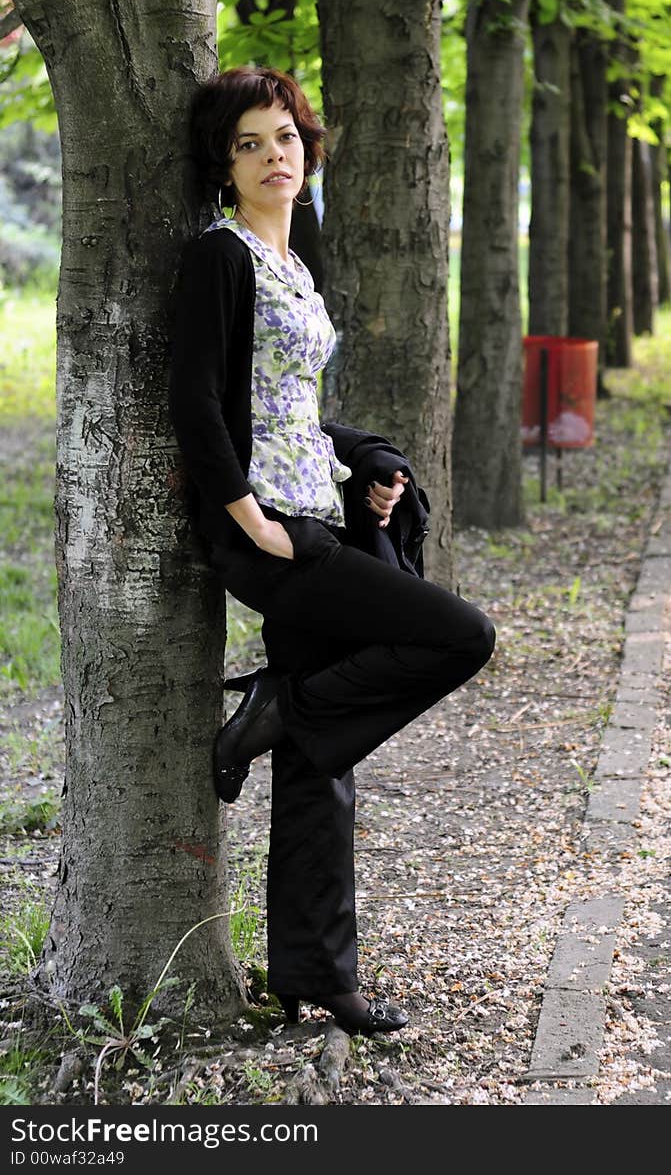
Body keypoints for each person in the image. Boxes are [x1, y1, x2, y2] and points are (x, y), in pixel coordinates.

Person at [169, 67, 496, 1037]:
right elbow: (196, 400)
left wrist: (372, 462)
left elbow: (294, 412)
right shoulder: (218, 259)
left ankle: (317, 973)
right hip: (271, 533)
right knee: (460, 635)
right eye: (250, 144)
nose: (276, 156)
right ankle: (280, 708)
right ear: (222, 166)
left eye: (286, 138)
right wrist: (247, 516)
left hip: (315, 506)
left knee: (322, 766)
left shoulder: (293, 256)